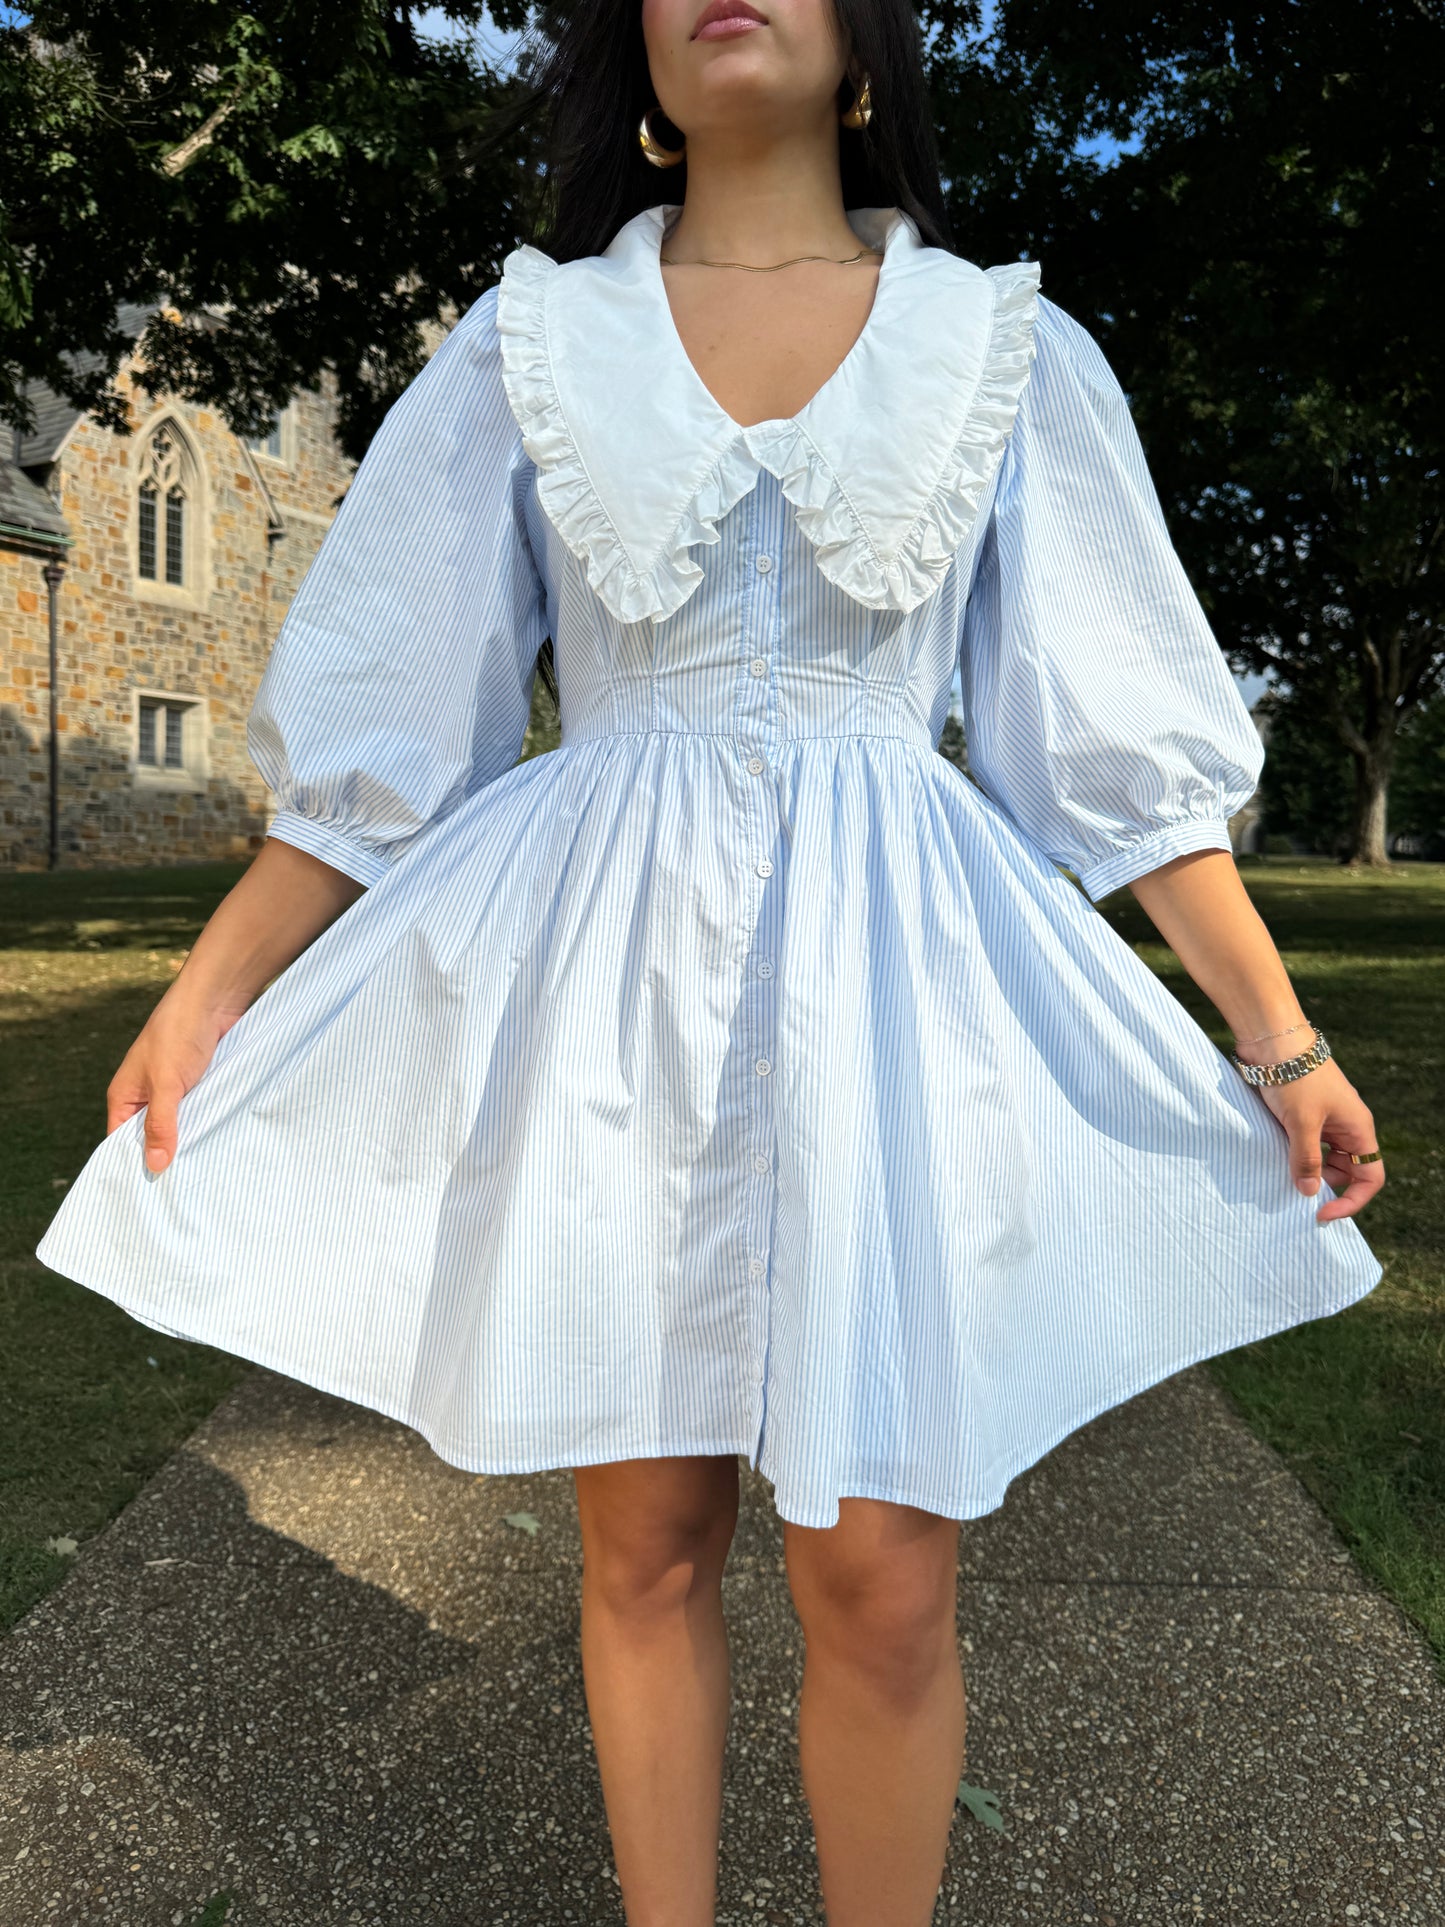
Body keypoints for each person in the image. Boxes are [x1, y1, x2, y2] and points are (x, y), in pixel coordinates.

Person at [35, 2, 1387, 1922]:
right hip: (604, 984)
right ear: (636, 60)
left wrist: (1273, 1038)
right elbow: (386, 725)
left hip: (896, 987)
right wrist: (212, 990)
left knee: (880, 1571)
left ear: (864, 47)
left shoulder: (999, 350)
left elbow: (1108, 750)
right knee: (647, 1541)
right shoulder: (526, 349)